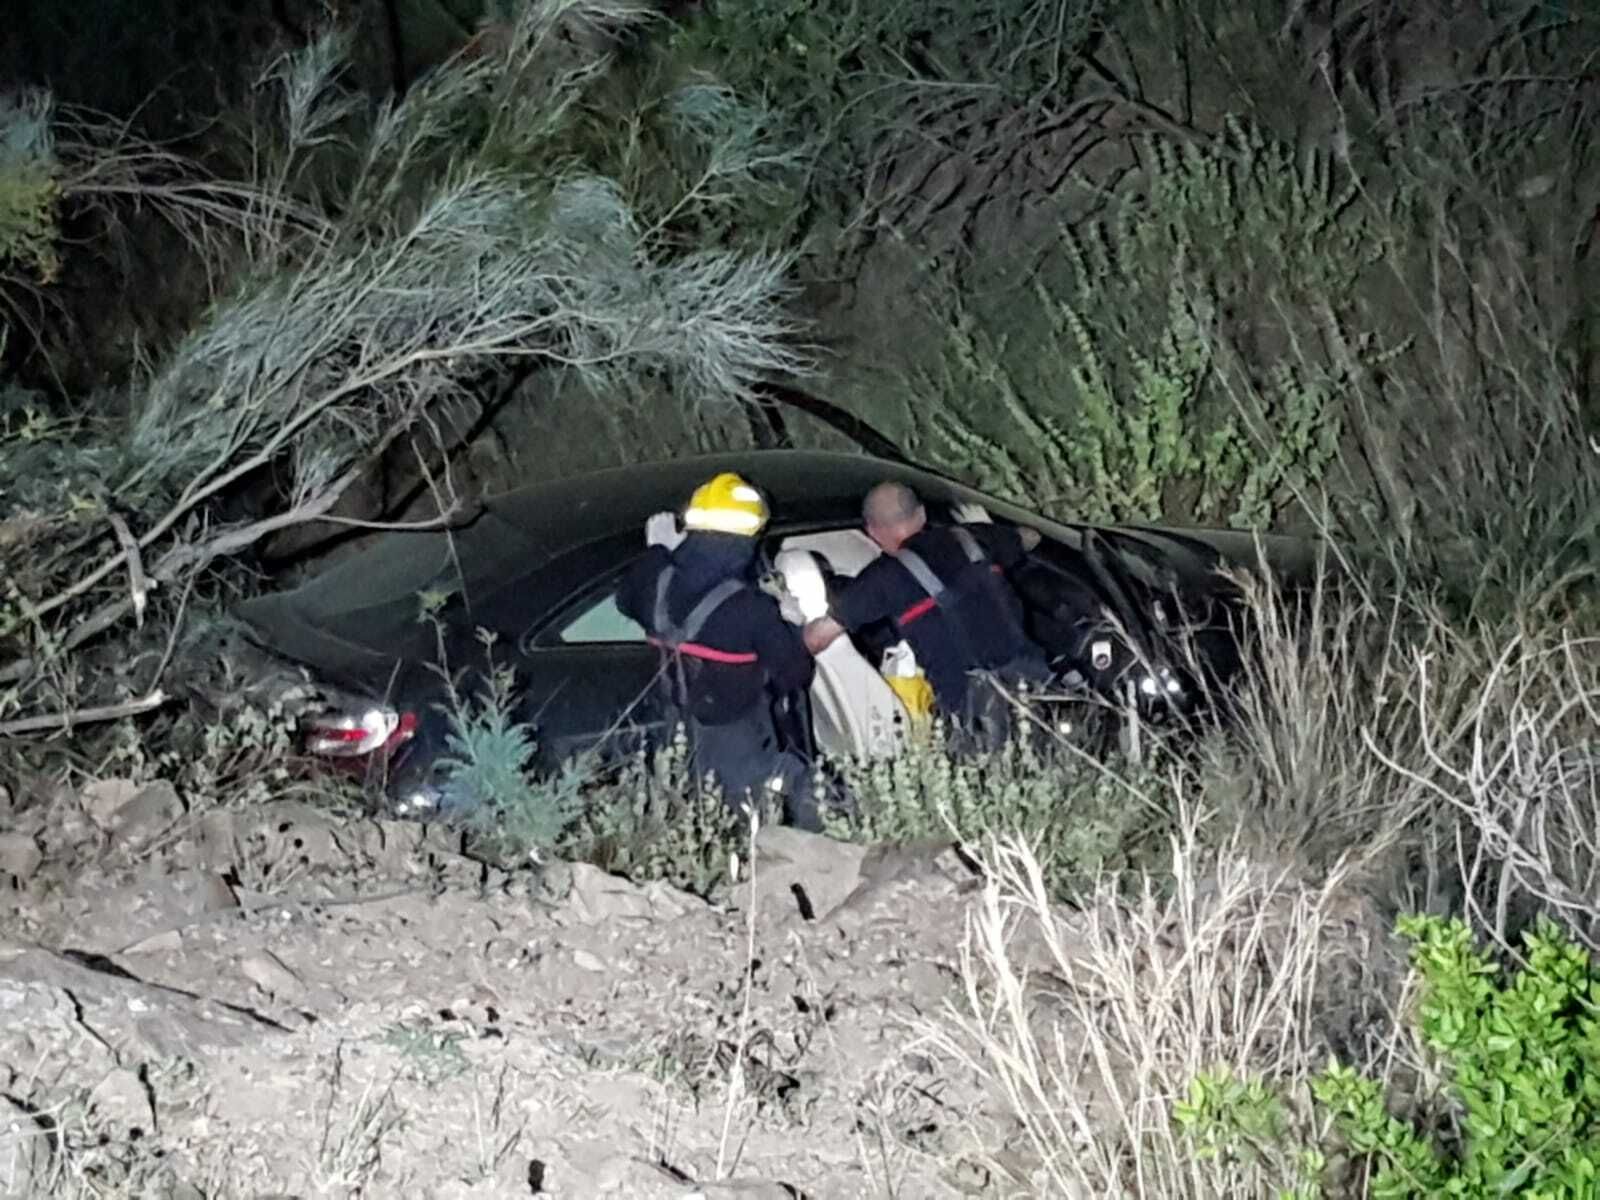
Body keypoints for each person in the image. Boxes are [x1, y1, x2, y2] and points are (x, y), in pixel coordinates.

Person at [616, 471, 821, 829]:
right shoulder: (752, 608)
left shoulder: (652, 579)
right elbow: (795, 674)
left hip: (673, 732)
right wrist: (791, 622)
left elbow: (626, 601)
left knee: (700, 819)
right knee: (785, 801)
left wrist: (660, 552)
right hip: (737, 741)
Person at [801, 481, 1052, 753]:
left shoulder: (883, 578)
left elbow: (817, 638)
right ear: (921, 514)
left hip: (975, 717)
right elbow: (1031, 537)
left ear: (872, 531)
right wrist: (986, 527)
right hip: (1040, 688)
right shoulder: (974, 538)